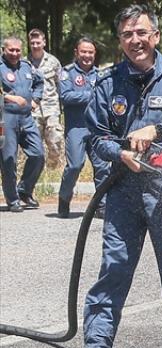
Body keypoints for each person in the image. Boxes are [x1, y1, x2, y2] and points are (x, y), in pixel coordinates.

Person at [60, 4, 162, 348]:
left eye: (141, 33)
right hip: (122, 191)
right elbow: (96, 137)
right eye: (127, 34)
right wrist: (119, 152)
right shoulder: (108, 83)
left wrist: (155, 130)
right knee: (113, 269)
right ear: (120, 40)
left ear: (155, 36)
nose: (135, 40)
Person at [57, 37, 110, 219]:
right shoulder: (68, 73)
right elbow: (65, 96)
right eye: (84, 52)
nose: (87, 56)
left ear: (94, 54)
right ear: (76, 53)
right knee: (75, 165)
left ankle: (100, 205)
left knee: (102, 166)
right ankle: (64, 200)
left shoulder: (101, 75)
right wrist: (90, 95)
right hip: (76, 128)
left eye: (90, 52)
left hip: (96, 128)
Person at [1, 36, 45, 212]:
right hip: (5, 117)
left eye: (17, 50)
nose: (14, 53)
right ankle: (12, 200)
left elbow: (39, 82)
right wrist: (9, 97)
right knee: (8, 159)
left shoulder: (27, 66)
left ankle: (24, 190)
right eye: (10, 50)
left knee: (38, 154)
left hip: (26, 117)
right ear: (3, 50)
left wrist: (36, 99)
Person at [26, 29, 63, 171]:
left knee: (55, 141)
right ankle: (37, 173)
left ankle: (52, 170)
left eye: (38, 42)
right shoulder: (25, 63)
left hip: (51, 108)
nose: (35, 45)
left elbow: (61, 84)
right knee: (35, 145)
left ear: (44, 43)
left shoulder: (53, 62)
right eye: (32, 43)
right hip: (33, 110)